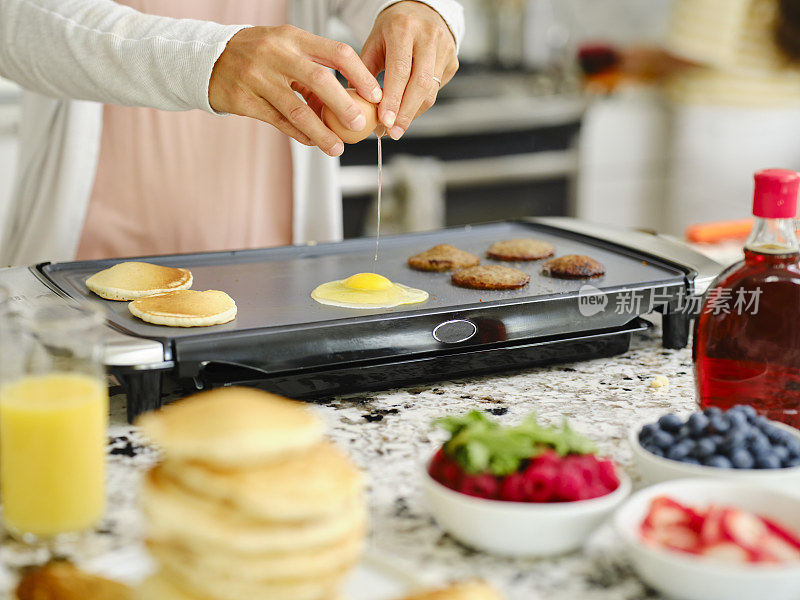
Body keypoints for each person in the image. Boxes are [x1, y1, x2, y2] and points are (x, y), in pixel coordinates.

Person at [0, 0, 463, 264]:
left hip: (276, 267)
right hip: (84, 260)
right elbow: (16, 20)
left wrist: (421, 10)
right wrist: (209, 57)